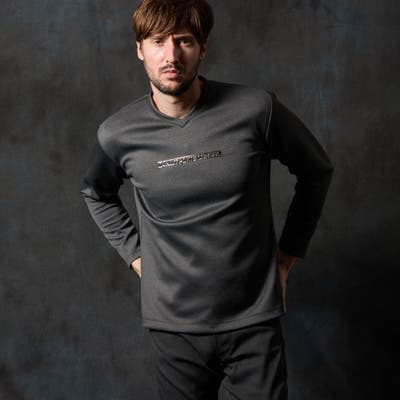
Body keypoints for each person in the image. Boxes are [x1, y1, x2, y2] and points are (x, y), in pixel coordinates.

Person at [80, 0, 334, 399]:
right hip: (174, 329)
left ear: (203, 48)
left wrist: (286, 259)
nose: (171, 55)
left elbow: (316, 171)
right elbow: (96, 193)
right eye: (158, 41)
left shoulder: (255, 109)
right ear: (140, 49)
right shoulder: (117, 133)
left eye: (183, 40)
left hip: (253, 321)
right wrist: (137, 256)